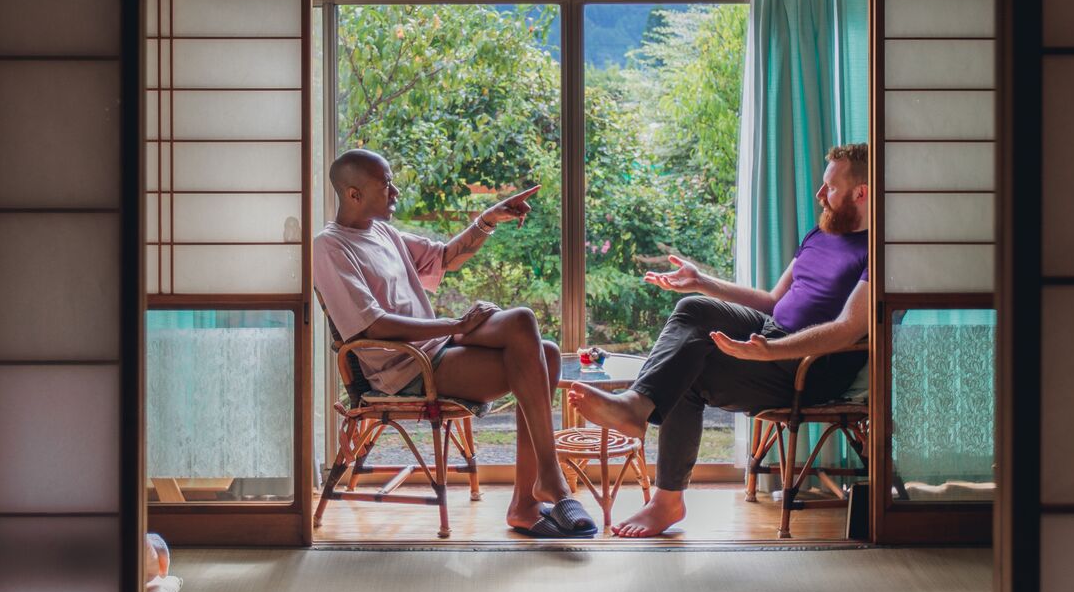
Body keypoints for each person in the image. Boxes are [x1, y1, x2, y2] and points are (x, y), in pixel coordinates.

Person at [568, 142, 873, 537]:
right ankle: (636, 408)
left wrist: (772, 351)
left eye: (829, 187)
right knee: (694, 306)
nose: (819, 195)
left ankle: (666, 499)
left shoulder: (876, 251)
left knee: (688, 371)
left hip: (808, 368)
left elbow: (849, 328)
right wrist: (702, 281)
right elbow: (771, 301)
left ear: (860, 193)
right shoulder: (820, 234)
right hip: (772, 335)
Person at [312, 148, 597, 538]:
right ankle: (539, 491)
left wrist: (488, 219)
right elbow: (373, 326)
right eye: (386, 185)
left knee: (533, 335)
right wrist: (455, 324)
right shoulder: (330, 248)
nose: (394, 192)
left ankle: (536, 491)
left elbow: (443, 258)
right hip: (405, 369)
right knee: (542, 355)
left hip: (436, 348)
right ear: (353, 194)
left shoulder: (383, 232)